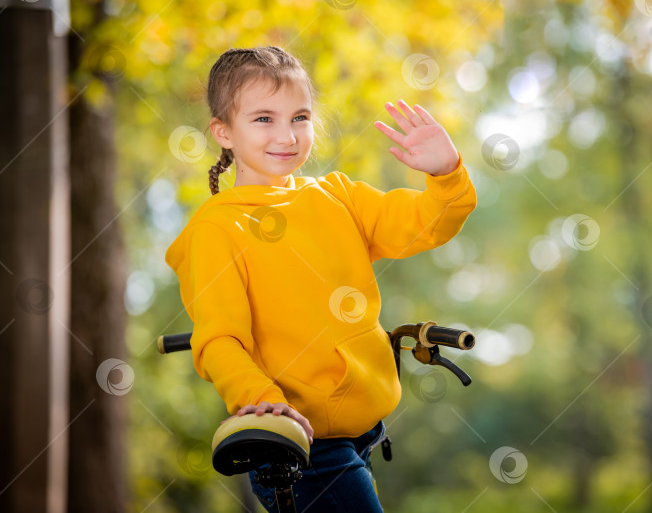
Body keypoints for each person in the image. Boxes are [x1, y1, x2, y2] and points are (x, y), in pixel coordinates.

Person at [165, 45, 476, 512]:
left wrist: (446, 175)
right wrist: (266, 405)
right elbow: (220, 341)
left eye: (301, 117)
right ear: (223, 132)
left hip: (363, 434)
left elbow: (424, 225)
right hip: (298, 448)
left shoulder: (338, 196)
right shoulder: (216, 229)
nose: (287, 135)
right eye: (264, 119)